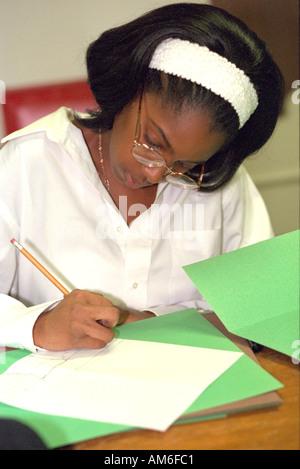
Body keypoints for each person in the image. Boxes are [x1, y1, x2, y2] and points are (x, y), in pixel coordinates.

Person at [0, 3, 284, 352]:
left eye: (184, 164)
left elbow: (261, 312)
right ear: (129, 86)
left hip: (193, 393)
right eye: (152, 142)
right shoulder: (24, 164)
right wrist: (36, 326)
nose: (156, 172)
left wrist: (136, 321)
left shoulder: (218, 180)